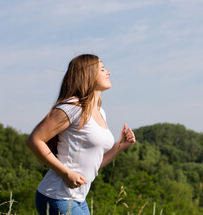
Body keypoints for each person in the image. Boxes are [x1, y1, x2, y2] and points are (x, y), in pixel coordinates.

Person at [26, 54, 136, 215]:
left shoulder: (100, 113)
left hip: (78, 199)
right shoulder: (73, 107)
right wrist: (66, 173)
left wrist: (120, 146)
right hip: (56, 196)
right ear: (88, 74)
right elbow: (34, 140)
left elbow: (94, 164)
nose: (109, 72)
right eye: (103, 69)